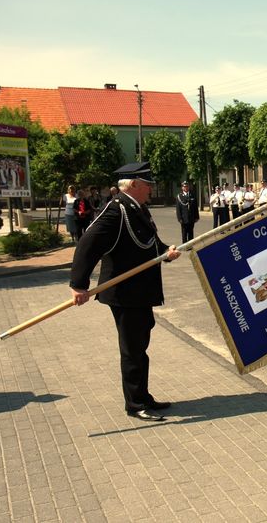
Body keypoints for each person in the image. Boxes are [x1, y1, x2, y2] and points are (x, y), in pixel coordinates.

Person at [69, 162, 180, 422]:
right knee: (132, 350)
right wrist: (79, 285)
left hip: (140, 293)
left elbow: (147, 242)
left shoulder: (137, 209)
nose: (151, 189)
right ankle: (135, 404)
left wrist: (165, 253)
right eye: (147, 185)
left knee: (140, 347)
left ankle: (143, 395)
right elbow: (87, 244)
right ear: (133, 185)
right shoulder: (116, 210)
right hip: (124, 293)